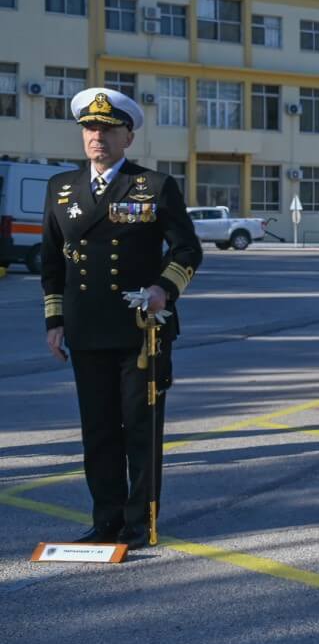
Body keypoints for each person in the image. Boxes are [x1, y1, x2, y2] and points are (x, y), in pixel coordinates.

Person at [40, 88, 203, 548]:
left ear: (128, 137)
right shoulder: (61, 188)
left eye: (109, 129)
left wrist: (163, 289)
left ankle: (138, 522)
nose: (98, 136)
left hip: (140, 330)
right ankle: (106, 520)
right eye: (91, 129)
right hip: (86, 328)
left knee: (139, 429)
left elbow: (188, 249)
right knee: (98, 430)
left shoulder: (154, 185)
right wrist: (55, 321)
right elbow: (52, 262)